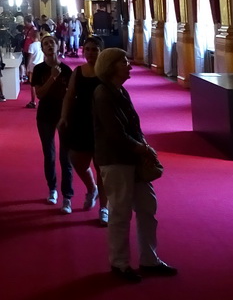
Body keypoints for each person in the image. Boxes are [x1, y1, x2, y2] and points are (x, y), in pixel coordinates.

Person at [93, 48, 177, 282]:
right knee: (120, 212)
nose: (129, 65)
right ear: (111, 67)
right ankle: (119, 263)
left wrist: (143, 146)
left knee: (147, 207)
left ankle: (149, 258)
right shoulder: (103, 94)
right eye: (123, 62)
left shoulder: (120, 91)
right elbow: (115, 133)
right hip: (115, 159)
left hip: (133, 157)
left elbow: (133, 126)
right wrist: (143, 148)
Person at [60, 35, 108, 225]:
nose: (90, 53)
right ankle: (91, 188)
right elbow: (69, 96)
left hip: (102, 122)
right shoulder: (78, 71)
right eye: (87, 49)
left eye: (94, 49)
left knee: (102, 167)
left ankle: (104, 207)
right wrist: (64, 117)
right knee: (77, 159)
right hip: (80, 120)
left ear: (101, 51)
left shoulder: (106, 72)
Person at [31, 35, 74, 211]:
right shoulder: (39, 69)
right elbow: (39, 94)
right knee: (49, 155)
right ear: (42, 49)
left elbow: (71, 96)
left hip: (64, 116)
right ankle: (52, 189)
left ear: (57, 46)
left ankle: (68, 196)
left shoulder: (67, 70)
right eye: (46, 44)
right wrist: (52, 78)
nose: (49, 46)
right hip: (45, 116)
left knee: (66, 158)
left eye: (52, 43)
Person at [25, 28, 44, 108]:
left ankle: (33, 101)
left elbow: (30, 57)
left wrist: (27, 68)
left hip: (33, 67)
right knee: (41, 84)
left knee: (33, 85)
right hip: (41, 65)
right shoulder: (41, 44)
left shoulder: (31, 46)